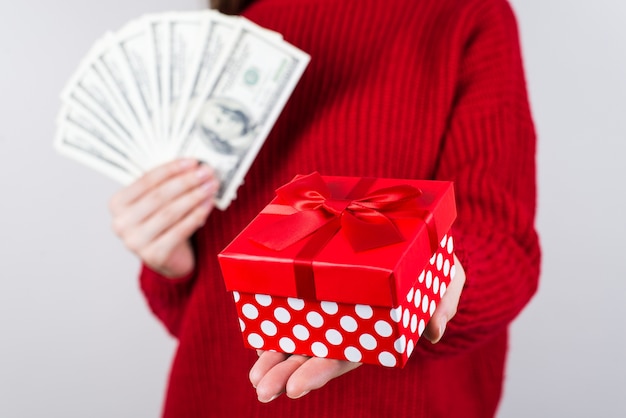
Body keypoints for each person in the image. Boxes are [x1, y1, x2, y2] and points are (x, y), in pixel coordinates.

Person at [108, 0, 541, 416]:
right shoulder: (229, 37)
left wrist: (438, 275)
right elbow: (209, 320)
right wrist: (173, 267)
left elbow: (503, 246)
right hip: (213, 400)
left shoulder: (464, 15)